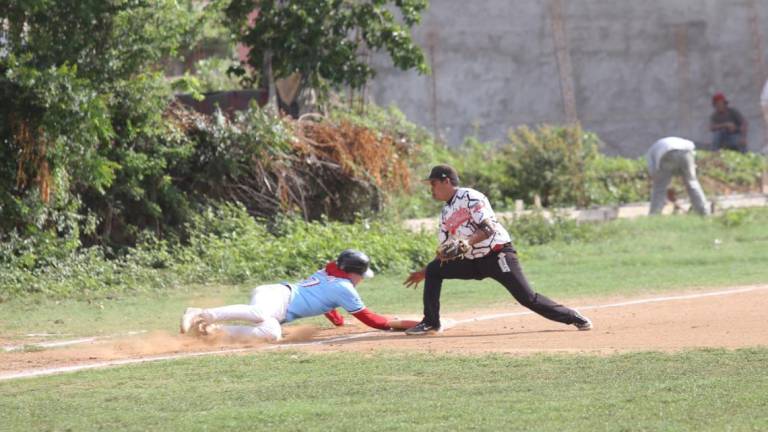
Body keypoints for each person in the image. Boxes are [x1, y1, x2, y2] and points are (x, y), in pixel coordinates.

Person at [402, 164, 592, 335]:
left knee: (527, 298)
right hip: (472, 262)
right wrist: (426, 271)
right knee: (435, 270)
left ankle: (572, 316)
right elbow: (444, 250)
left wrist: (467, 242)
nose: (431, 188)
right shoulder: (445, 213)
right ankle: (431, 323)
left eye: (433, 183)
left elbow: (488, 228)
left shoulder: (470, 197)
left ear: (446, 181)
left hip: (497, 254)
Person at [180, 250, 417, 341]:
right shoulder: (344, 288)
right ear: (351, 273)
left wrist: (337, 321)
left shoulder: (331, 272)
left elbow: (326, 301)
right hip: (278, 296)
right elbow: (370, 320)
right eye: (361, 274)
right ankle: (200, 314)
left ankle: (212, 332)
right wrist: (398, 325)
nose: (362, 278)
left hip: (279, 300)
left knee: (272, 333)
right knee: (259, 314)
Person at [646, 137, 710, 216]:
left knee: (659, 187)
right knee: (692, 182)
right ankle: (704, 212)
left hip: (667, 152)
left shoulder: (650, 154)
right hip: (687, 151)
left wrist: (659, 182)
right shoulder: (656, 148)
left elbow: (654, 173)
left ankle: (654, 214)